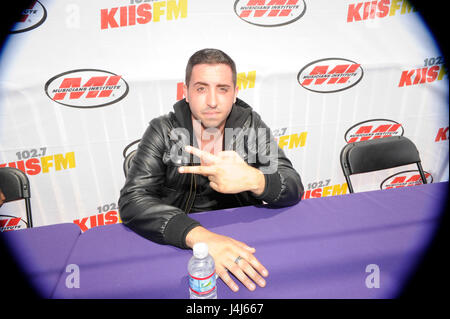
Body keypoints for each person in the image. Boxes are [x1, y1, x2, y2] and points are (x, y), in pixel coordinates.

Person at [118, 48, 304, 293]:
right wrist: (201, 237)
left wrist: (254, 178)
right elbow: (133, 199)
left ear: (235, 94)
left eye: (223, 89)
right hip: (180, 241)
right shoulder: (163, 130)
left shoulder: (251, 125)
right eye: (201, 88)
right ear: (186, 93)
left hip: (244, 241)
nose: (213, 101)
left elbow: (293, 185)